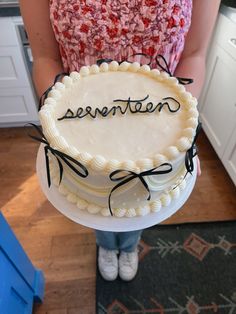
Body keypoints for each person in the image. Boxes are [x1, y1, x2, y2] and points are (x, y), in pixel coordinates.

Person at [20, 0, 220, 281]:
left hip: (159, 132)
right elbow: (45, 58)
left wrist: (184, 129)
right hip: (82, 128)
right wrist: (59, 133)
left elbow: (196, 54)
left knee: (138, 200)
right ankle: (105, 244)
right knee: (96, 192)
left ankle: (128, 245)